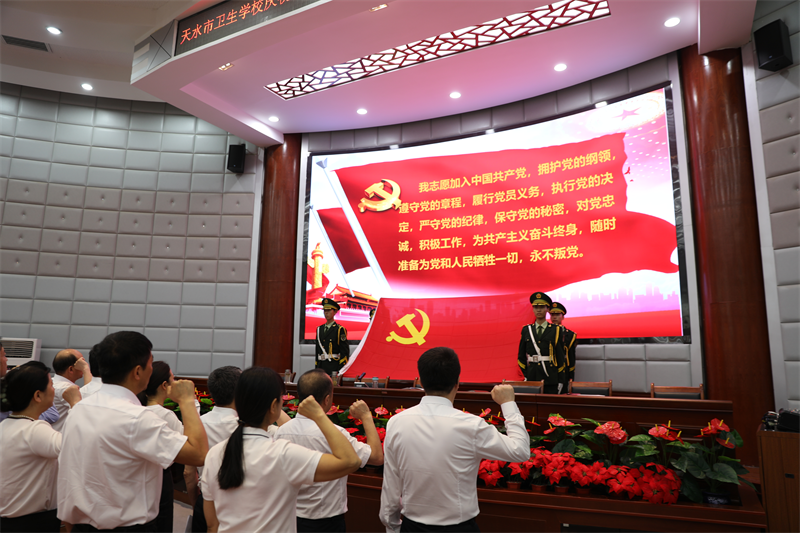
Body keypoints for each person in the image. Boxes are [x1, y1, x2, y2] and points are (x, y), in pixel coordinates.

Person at [57, 331, 208, 532]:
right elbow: (198, 454)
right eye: (150, 363)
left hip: (82, 526)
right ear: (138, 372)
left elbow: (69, 473)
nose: (151, 369)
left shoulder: (79, 409)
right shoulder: (138, 418)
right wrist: (188, 401)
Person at [380, 347, 529, 533]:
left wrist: (392, 526)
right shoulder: (471, 425)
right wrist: (508, 404)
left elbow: (391, 483)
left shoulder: (397, 422)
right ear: (458, 382)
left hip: (412, 527)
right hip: (459, 529)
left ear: (420, 382)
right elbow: (520, 451)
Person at [201, 367, 361, 533]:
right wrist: (319, 416)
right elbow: (351, 461)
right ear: (273, 406)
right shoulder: (283, 454)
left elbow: (212, 525)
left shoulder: (215, 453)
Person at [276, 369, 384, 533]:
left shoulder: (281, 431)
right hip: (325, 522)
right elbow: (376, 458)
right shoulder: (336, 434)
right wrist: (366, 417)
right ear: (327, 399)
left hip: (289, 519)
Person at [0, 361, 79, 531]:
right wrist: (76, 404)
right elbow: (76, 446)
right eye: (51, 385)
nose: (54, 390)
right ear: (37, 395)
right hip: (31, 522)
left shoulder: (6, 425)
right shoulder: (34, 429)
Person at [137, 361, 184, 533]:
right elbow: (188, 446)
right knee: (162, 521)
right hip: (161, 474)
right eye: (173, 379)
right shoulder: (166, 414)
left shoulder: (140, 409)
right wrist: (188, 402)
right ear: (164, 385)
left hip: (141, 474)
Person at [517, 292, 567, 394]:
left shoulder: (556, 330)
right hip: (532, 376)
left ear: (547, 309)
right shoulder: (527, 330)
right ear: (533, 309)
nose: (538, 310)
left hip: (550, 377)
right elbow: (521, 356)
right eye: (536, 307)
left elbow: (560, 357)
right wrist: (526, 375)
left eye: (542, 307)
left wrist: (560, 380)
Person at [50, 349, 94, 432]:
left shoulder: (52, 382)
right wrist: (85, 369)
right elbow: (90, 398)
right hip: (61, 437)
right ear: (71, 369)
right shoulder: (65, 388)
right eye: (81, 363)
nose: (84, 364)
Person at [315, 298, 350, 376]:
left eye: (329, 310)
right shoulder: (319, 329)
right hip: (321, 367)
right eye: (325, 310)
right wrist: (317, 367)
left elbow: (344, 352)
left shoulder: (339, 329)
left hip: (333, 367)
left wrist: (339, 369)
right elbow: (317, 351)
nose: (326, 313)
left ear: (335, 312)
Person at [550, 302, 577, 383]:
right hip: (548, 368)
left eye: (557, 314)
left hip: (563, 370)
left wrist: (571, 376)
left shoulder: (570, 335)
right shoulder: (546, 333)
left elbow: (571, 357)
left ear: (563, 317)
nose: (554, 317)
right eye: (552, 314)